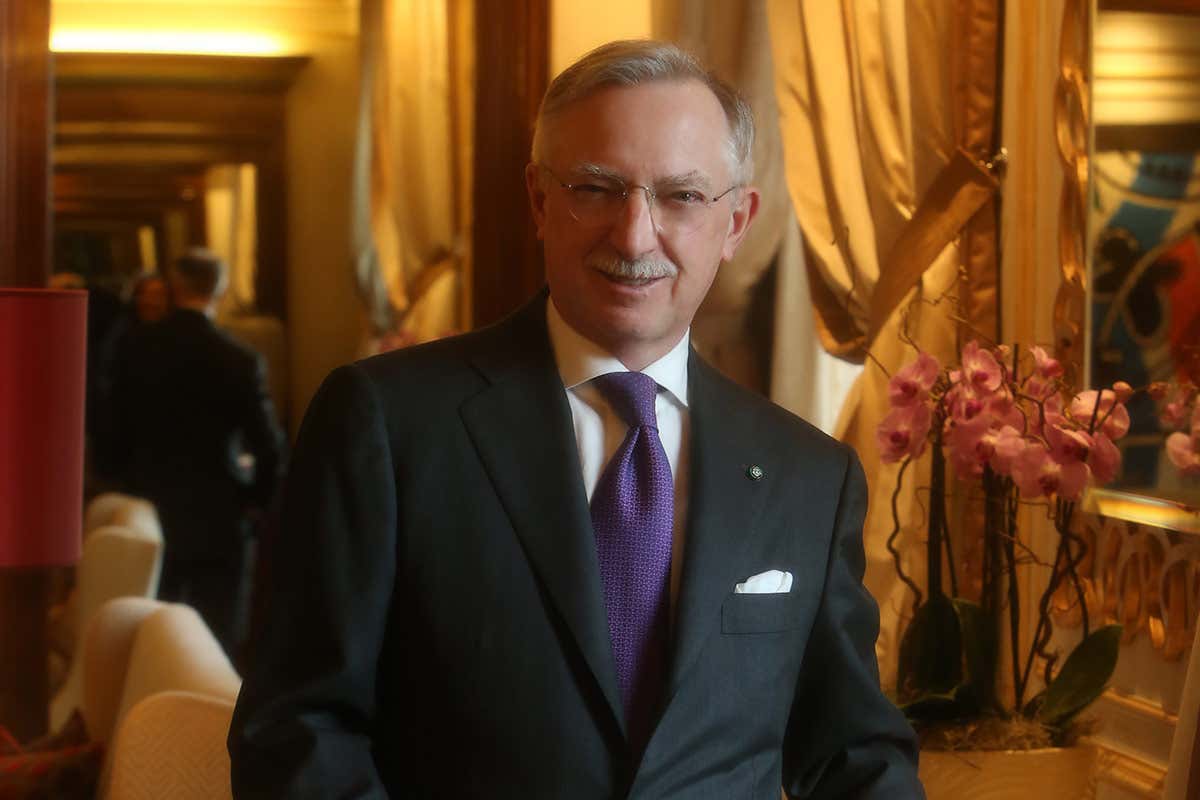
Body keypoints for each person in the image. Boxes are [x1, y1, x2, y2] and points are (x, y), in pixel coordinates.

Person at [229, 40, 922, 798]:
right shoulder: (387, 425)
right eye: (596, 189)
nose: (634, 235)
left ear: (736, 222)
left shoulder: (810, 475)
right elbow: (296, 731)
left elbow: (853, 753)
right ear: (538, 200)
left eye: (682, 197)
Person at [103, 248, 285, 657]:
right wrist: (254, 503)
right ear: (221, 288)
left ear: (175, 285)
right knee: (215, 640)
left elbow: (112, 426)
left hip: (148, 506)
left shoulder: (135, 348)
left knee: (147, 630)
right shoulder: (239, 359)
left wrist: (123, 481)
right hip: (219, 513)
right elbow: (269, 448)